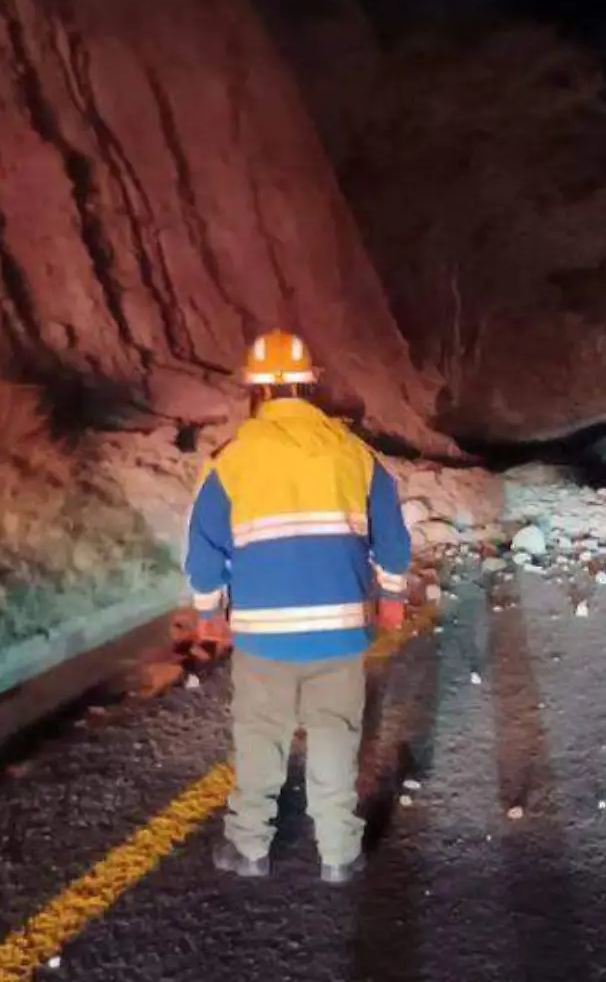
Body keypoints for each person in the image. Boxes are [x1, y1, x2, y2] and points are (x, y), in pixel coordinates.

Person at [186, 329, 411, 885]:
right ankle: (338, 854)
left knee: (261, 736)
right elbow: (393, 540)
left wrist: (209, 610)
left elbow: (204, 547)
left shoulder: (232, 461)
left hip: (264, 638)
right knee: (335, 736)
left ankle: (249, 848)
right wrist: (393, 598)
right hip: (338, 634)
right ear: (310, 388)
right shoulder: (356, 455)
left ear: (258, 392)